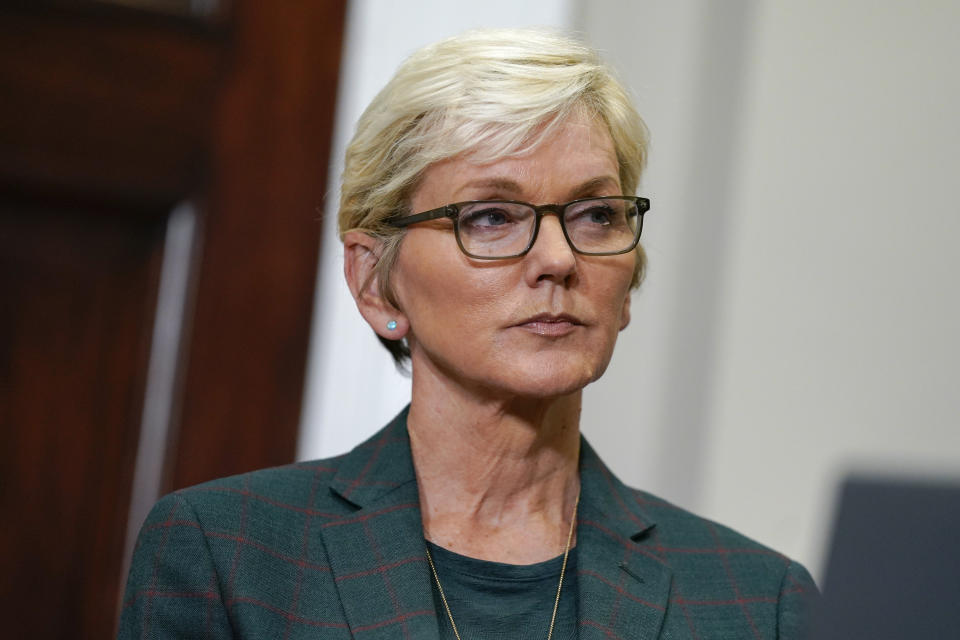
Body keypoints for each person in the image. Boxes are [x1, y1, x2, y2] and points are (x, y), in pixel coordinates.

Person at [119, 28, 818, 639]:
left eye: (597, 215)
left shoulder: (759, 602)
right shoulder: (229, 556)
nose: (559, 259)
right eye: (490, 217)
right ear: (375, 282)